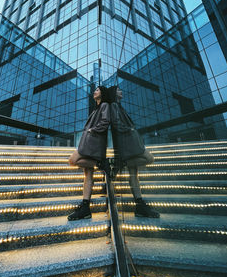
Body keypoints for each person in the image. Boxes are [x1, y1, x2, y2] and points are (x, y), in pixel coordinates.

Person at [108, 85, 160, 218]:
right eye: (119, 90)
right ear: (115, 93)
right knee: (149, 158)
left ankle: (139, 204)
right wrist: (129, 130)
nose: (121, 91)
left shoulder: (118, 106)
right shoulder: (114, 105)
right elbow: (116, 123)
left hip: (128, 143)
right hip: (128, 143)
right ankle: (122, 162)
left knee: (134, 174)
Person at [68, 86, 110, 220]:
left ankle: (100, 162)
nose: (94, 92)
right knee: (87, 174)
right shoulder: (97, 108)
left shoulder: (104, 105)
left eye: (97, 90)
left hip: (93, 143)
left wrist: (92, 130)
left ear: (102, 93)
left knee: (72, 160)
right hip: (90, 143)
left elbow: (105, 122)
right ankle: (85, 207)